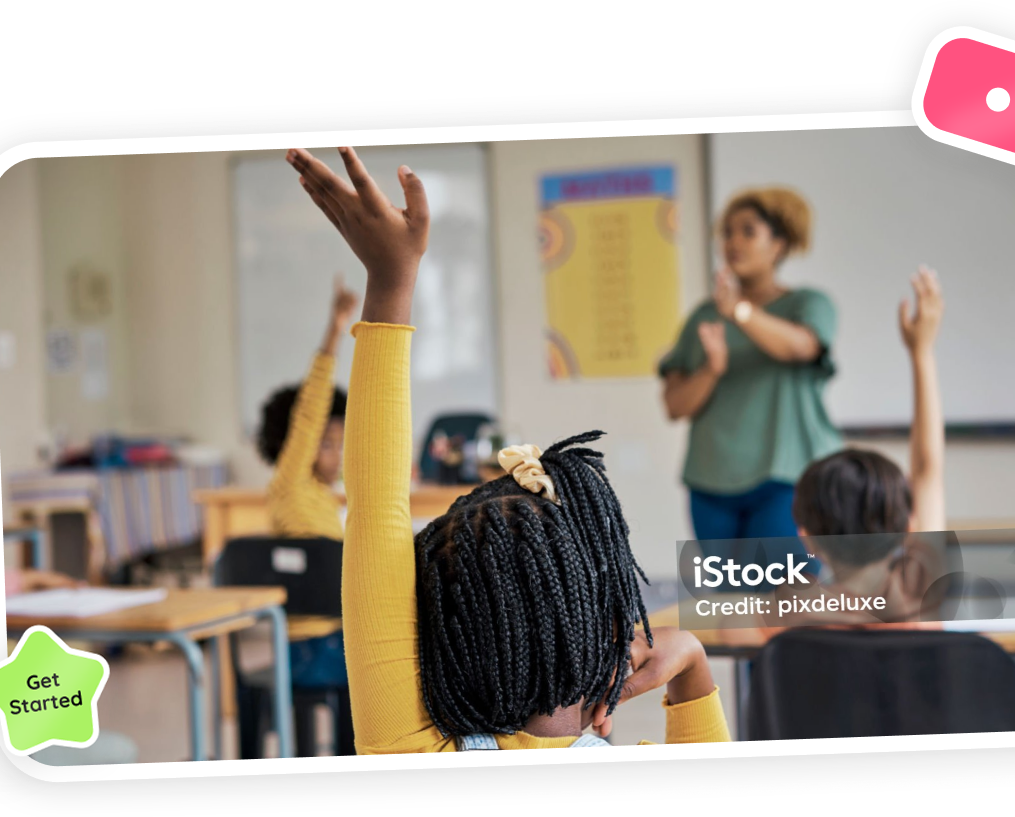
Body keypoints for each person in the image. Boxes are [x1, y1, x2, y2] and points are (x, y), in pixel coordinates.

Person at [287, 146, 731, 752]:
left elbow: (375, 504)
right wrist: (695, 669)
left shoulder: (408, 753)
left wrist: (390, 280)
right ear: (607, 625)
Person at [659, 188, 841, 573]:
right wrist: (713, 369)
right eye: (727, 232)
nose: (732, 242)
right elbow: (675, 406)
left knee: (792, 599)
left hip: (785, 477)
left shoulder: (807, 305)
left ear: (779, 244)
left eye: (747, 231)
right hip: (710, 482)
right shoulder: (703, 317)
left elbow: (801, 348)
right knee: (731, 606)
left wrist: (740, 310)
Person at [758, 266, 947, 630]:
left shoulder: (791, 608)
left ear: (807, 539)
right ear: (909, 525)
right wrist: (922, 353)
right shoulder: (919, 593)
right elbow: (927, 472)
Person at [257, 279, 358, 540]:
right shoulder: (291, 482)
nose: (338, 457)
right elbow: (310, 413)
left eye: (340, 445)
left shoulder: (325, 497)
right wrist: (335, 329)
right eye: (326, 445)